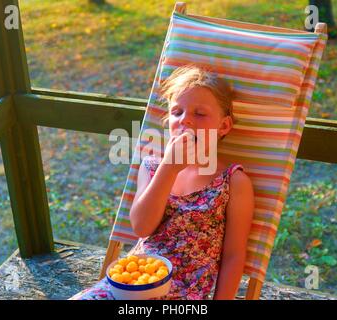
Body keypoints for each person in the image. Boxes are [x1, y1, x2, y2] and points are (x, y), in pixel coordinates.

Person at [69, 65, 254, 300]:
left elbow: (234, 255)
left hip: (189, 290)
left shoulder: (233, 181)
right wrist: (168, 169)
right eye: (177, 112)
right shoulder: (153, 167)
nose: (185, 120)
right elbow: (142, 227)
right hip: (135, 281)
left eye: (199, 113)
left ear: (224, 126)